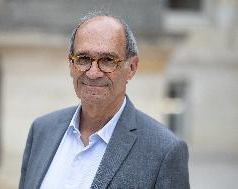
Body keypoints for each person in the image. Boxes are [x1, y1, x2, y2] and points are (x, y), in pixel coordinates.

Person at [19, 12, 190, 189]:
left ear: (131, 67)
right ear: (71, 65)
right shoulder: (42, 130)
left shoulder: (164, 151)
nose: (93, 73)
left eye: (108, 60)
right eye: (83, 59)